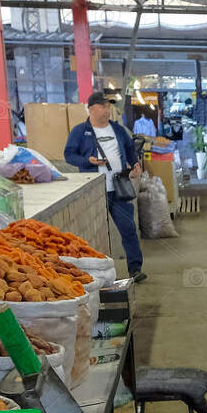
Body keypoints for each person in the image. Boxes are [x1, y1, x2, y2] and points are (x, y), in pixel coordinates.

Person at [63, 90, 146, 283]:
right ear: (91, 108)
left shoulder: (118, 129)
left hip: (119, 187)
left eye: (108, 106)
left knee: (129, 228)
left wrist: (135, 163)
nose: (107, 110)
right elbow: (69, 155)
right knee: (94, 234)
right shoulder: (79, 131)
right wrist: (87, 161)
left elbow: (129, 149)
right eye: (102, 106)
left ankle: (135, 268)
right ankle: (95, 275)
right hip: (95, 191)